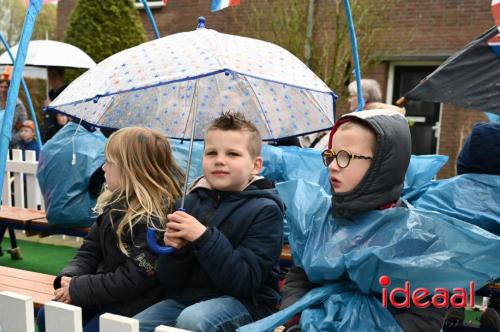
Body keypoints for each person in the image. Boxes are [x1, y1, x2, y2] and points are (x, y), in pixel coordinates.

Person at [281, 108, 447, 331]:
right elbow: (300, 277)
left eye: (345, 157)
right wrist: (294, 322)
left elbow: (424, 316)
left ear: (382, 164)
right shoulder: (320, 221)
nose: (331, 166)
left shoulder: (418, 237)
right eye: (330, 156)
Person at [135, 112, 285, 332]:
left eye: (233, 154)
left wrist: (203, 237)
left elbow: (244, 281)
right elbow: (170, 282)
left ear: (255, 165)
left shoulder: (266, 210)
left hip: (246, 304)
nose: (220, 160)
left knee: (193, 320)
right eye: (211, 152)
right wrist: (177, 252)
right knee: (132, 325)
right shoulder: (188, 203)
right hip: (186, 300)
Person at [36, 127, 185, 332]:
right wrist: (70, 277)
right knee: (50, 315)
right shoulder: (114, 204)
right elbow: (90, 250)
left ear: (132, 169)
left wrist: (79, 288)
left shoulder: (155, 219)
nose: (103, 168)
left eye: (109, 162)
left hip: (134, 303)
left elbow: (135, 278)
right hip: (102, 292)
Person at [0, 67, 28, 142]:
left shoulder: (18, 105)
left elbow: (24, 127)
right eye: (1, 87)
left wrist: (10, 140)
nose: (3, 90)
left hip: (11, 143)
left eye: (5, 87)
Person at [43, 67, 69, 141]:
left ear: (61, 76)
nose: (51, 79)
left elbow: (65, 115)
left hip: (60, 132)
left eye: (54, 76)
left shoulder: (66, 91)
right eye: (49, 76)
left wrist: (51, 106)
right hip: (49, 130)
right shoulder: (50, 93)